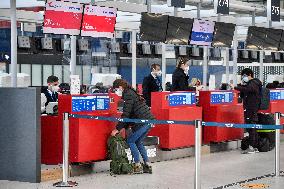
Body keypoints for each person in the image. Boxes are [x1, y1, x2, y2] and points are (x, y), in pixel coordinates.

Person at [111, 79, 155, 174]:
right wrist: (124, 127)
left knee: (131, 141)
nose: (116, 92)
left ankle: (137, 165)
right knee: (138, 142)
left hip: (143, 121)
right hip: (148, 120)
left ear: (120, 87)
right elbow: (130, 114)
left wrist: (117, 129)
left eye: (116, 89)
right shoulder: (131, 92)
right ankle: (147, 165)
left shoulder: (128, 94)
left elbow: (126, 114)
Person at [230, 68, 262, 154]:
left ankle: (252, 147)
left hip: (251, 109)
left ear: (249, 75)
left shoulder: (254, 82)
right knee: (251, 127)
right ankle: (253, 146)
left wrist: (236, 87)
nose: (243, 77)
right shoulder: (252, 83)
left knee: (251, 127)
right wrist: (242, 86)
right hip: (251, 108)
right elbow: (246, 92)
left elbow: (249, 89)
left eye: (244, 76)